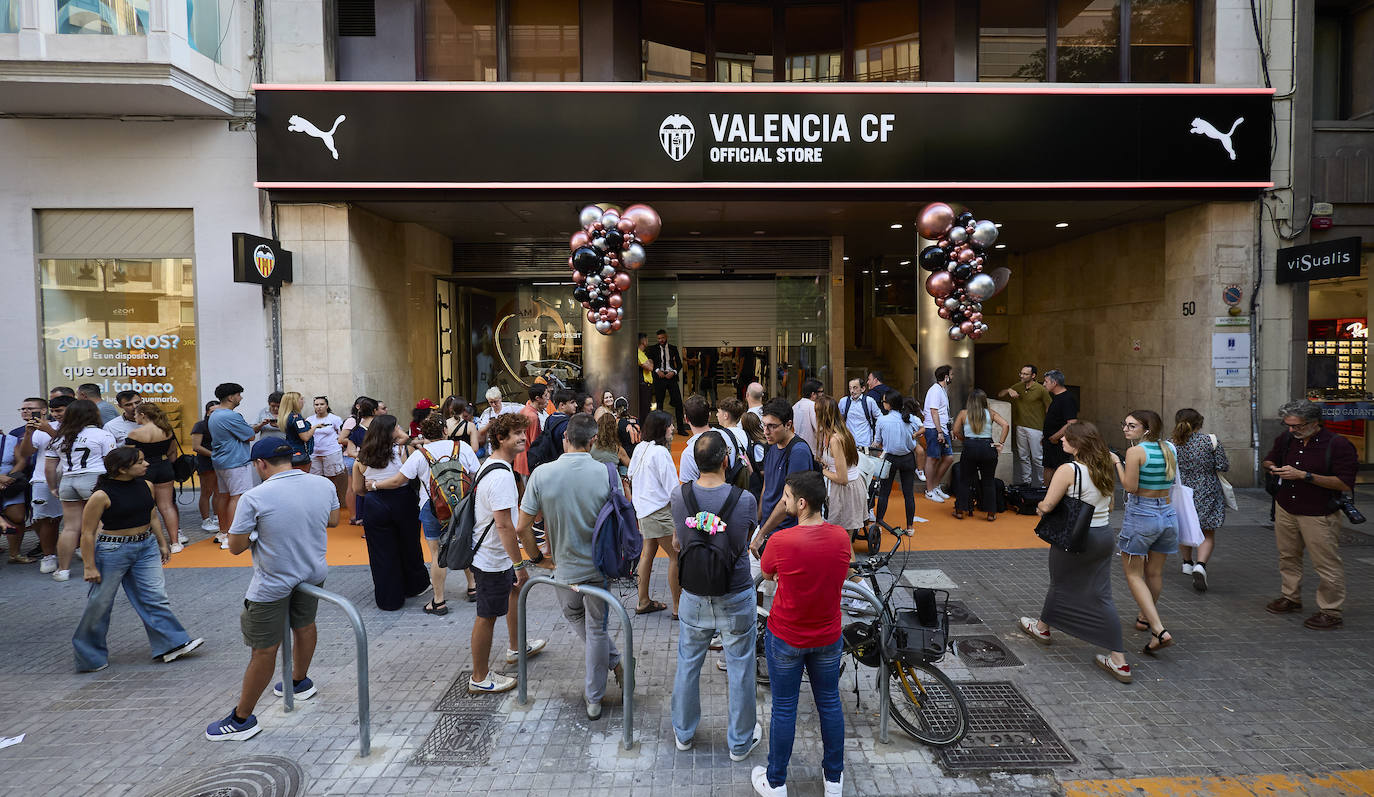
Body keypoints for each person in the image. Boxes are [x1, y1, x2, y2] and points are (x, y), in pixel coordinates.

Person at [205, 439, 339, 740]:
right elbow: (332, 521)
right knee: (305, 626)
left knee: (264, 648)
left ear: (260, 464)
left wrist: (258, 533)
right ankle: (299, 681)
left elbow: (236, 547)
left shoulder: (254, 497)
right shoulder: (322, 485)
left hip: (273, 581)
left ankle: (241, 719)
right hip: (313, 571)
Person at [515, 413, 626, 720]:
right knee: (597, 627)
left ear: (565, 438)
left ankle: (605, 679)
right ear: (592, 441)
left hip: (563, 565)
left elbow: (523, 527)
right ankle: (600, 688)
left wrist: (538, 559)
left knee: (573, 613)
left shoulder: (541, 474)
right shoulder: (608, 473)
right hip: (600, 564)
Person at [753, 471, 850, 797]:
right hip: (827, 637)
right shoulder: (841, 538)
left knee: (784, 708)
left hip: (786, 637)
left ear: (802, 503)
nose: (784, 503)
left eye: (787, 498)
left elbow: (766, 571)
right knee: (829, 703)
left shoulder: (781, 541)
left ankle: (776, 781)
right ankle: (834, 779)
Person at [670, 432, 761, 759]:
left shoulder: (678, 496)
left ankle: (683, 732)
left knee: (688, 663)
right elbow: (744, 539)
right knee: (740, 667)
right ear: (727, 460)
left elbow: (679, 542)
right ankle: (739, 742)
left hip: (693, 593)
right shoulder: (745, 500)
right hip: (734, 592)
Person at [1019, 422, 1131, 684]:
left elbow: (1048, 504)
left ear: (1078, 444)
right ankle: (1119, 660)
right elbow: (1111, 503)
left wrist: (1039, 508)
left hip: (1076, 536)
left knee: (1060, 583)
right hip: (1104, 535)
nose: (1061, 441)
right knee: (1102, 594)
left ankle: (1042, 628)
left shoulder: (1068, 469)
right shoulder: (1103, 466)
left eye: (1066, 439)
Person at [73, 447, 204, 672]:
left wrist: (162, 542)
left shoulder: (146, 485)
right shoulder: (101, 495)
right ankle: (89, 657)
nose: (146, 465)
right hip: (113, 551)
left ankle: (172, 644)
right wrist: (89, 565)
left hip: (146, 547)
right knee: (100, 603)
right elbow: (86, 533)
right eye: (140, 462)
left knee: (155, 596)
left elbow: (152, 515)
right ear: (122, 469)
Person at [369, 413, 479, 615]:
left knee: (437, 554)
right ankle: (472, 587)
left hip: (432, 508)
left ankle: (439, 601)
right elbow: (475, 475)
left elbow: (398, 481)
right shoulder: (461, 447)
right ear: (445, 431)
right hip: (462, 505)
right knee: (464, 542)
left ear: (424, 433)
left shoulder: (420, 454)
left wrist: (374, 485)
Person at [467, 412, 545, 692]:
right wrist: (518, 563)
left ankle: (515, 647)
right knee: (486, 616)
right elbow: (503, 525)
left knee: (511, 594)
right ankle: (479, 677)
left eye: (523, 432)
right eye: (516, 434)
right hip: (491, 558)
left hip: (491, 555)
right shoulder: (501, 476)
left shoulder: (492, 466)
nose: (523, 437)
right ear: (501, 438)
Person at [1262, 400, 1355, 630]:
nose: (1292, 430)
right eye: (1288, 425)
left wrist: (1305, 476)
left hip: (1319, 512)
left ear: (1314, 423)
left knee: (1326, 563)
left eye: (1297, 426)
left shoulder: (1338, 445)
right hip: (1286, 507)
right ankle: (1290, 597)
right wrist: (1273, 468)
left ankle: (1331, 610)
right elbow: (1268, 459)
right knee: (1288, 556)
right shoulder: (1286, 439)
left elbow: (1344, 483)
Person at [1115, 409, 1179, 656]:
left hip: (1142, 515)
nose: (1125, 429)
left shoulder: (1135, 452)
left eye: (1131, 426)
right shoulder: (1169, 449)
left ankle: (1158, 630)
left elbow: (1130, 487)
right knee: (1154, 573)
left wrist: (1117, 464)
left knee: (1133, 575)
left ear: (1146, 430)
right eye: (1125, 424)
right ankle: (1144, 618)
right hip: (1167, 514)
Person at [353, 415, 428, 611]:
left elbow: (357, 489)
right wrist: (401, 434)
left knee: (381, 552)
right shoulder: (403, 450)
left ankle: (389, 598)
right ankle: (414, 585)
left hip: (374, 503)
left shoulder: (361, 457)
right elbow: (408, 440)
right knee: (409, 544)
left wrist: (373, 491)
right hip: (403, 500)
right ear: (391, 430)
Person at [45, 399, 118, 582]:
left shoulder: (59, 437)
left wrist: (53, 487)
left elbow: (50, 468)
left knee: (70, 527)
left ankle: (63, 570)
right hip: (94, 479)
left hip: (68, 481)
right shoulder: (102, 435)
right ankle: (100, 566)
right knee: (100, 524)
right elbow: (111, 462)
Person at [627, 410, 682, 617]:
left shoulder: (641, 447)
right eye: (670, 425)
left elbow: (631, 475)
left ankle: (643, 601)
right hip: (659, 511)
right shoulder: (660, 452)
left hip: (643, 510)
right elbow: (673, 489)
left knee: (648, 553)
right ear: (661, 428)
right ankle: (678, 607)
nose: (673, 429)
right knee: (676, 555)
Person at [1172, 409, 1229, 591]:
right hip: (1207, 490)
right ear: (1199, 423)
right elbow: (1222, 465)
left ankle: (1187, 563)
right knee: (1207, 531)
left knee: (1184, 525)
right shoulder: (1209, 441)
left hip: (1181, 492)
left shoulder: (1170, 443)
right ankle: (1200, 565)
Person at [750, 399, 816, 554]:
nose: (766, 431)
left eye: (772, 426)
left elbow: (788, 500)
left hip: (786, 534)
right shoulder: (772, 445)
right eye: (764, 425)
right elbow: (767, 487)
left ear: (788, 424)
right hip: (767, 529)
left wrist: (761, 534)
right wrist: (758, 523)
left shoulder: (798, 451)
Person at [127, 403, 185, 552]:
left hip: (143, 468)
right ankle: (175, 542)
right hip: (164, 466)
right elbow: (172, 452)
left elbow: (128, 458)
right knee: (167, 506)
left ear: (143, 415)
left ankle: (152, 542)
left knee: (146, 506)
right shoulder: (167, 430)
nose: (134, 417)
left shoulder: (135, 434)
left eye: (135, 414)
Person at [15, 397, 62, 572]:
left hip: (67, 475)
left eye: (30, 408)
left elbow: (67, 444)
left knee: (69, 519)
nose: (25, 411)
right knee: (44, 519)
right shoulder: (34, 431)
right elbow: (26, 453)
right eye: (22, 409)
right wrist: (28, 433)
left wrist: (48, 429)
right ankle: (49, 555)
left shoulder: (60, 425)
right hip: (42, 478)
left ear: (43, 411)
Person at [208, 383, 258, 548]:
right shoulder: (231, 416)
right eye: (238, 394)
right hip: (235, 461)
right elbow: (250, 435)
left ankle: (224, 532)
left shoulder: (215, 414)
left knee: (224, 496)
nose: (241, 398)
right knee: (237, 497)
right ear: (231, 397)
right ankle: (232, 536)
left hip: (221, 461)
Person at [951, 389, 1010, 522]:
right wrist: (1000, 443)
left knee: (965, 480)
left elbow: (955, 431)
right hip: (988, 447)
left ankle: (960, 510)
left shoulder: (963, 414)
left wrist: (964, 440)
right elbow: (1006, 425)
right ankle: (991, 513)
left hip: (970, 447)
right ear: (984, 400)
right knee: (988, 481)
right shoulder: (991, 413)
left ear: (970, 401)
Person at [814, 396, 866, 540]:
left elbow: (842, 478)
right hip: (850, 488)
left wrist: (821, 470)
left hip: (846, 491)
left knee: (843, 542)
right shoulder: (840, 433)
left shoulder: (835, 439)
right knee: (844, 542)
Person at [872, 392, 920, 533]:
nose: (882, 403)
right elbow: (922, 428)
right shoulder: (910, 418)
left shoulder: (882, 420)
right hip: (907, 457)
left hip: (890, 458)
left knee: (884, 493)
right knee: (908, 494)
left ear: (889, 404)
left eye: (884, 401)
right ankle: (910, 527)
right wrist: (915, 435)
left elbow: (877, 441)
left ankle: (878, 524)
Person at [998, 365, 1052, 486]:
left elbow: (1049, 407)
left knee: (1037, 458)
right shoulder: (1018, 386)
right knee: (1023, 456)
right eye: (1021, 373)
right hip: (1020, 426)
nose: (1022, 376)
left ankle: (1042, 484)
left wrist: (1048, 427)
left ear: (1033, 376)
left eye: (1025, 374)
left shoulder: (1041, 389)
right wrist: (1008, 390)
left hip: (1036, 428)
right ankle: (1026, 482)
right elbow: (1000, 395)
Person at [339, 396, 379, 525]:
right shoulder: (380, 425)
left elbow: (349, 449)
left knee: (361, 490)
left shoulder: (357, 427)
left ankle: (361, 518)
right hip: (372, 461)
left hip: (361, 461)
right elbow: (342, 439)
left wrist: (362, 454)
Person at [922, 365, 956, 504]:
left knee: (948, 458)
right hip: (934, 429)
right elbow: (933, 411)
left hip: (942, 429)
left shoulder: (942, 390)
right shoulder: (935, 390)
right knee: (932, 459)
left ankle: (935, 486)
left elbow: (943, 412)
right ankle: (929, 490)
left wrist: (949, 429)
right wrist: (940, 432)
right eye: (951, 374)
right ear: (946, 376)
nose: (953, 377)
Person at [308, 396, 347, 510]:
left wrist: (340, 446)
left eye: (321, 404)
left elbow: (342, 435)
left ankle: (332, 504)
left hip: (331, 452)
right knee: (316, 480)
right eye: (316, 404)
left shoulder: (335, 419)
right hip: (314, 453)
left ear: (327, 405)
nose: (319, 407)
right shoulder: (310, 420)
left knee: (332, 479)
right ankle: (319, 505)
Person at [1041, 370, 1079, 484]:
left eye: (1046, 381)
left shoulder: (1067, 399)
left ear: (1055, 383)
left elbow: (1072, 422)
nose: (1044, 384)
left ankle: (1052, 494)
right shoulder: (1057, 397)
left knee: (1055, 468)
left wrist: (1055, 437)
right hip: (1050, 442)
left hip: (1058, 443)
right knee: (1048, 467)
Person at [677, 395, 721, 484]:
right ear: (709, 416)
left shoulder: (689, 453)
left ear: (686, 419)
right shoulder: (727, 436)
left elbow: (688, 489)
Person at [649, 329, 686, 433]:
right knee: (659, 404)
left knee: (678, 403)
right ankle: (660, 429)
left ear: (666, 337)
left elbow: (679, 364)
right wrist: (657, 371)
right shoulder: (653, 349)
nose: (661, 340)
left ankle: (681, 428)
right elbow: (650, 363)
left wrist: (673, 372)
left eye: (663, 338)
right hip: (659, 378)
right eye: (659, 338)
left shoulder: (673, 348)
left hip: (671, 377)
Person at [191, 401, 220, 531]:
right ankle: (205, 520)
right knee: (206, 492)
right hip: (206, 462)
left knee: (219, 492)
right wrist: (213, 455)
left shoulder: (222, 424)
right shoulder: (201, 425)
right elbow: (196, 447)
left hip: (221, 462)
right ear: (207, 412)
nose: (215, 414)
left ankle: (217, 517)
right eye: (213, 411)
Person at [514, 385, 548, 481]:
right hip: (527, 461)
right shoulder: (533, 416)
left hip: (520, 458)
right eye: (545, 395)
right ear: (538, 398)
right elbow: (535, 443)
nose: (547, 397)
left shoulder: (524, 410)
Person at [840, 378, 881, 453]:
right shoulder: (844, 401)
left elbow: (880, 419)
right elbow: (839, 420)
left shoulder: (869, 401)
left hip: (866, 443)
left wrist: (876, 440)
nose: (852, 391)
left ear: (863, 389)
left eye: (855, 388)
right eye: (850, 388)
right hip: (849, 443)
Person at [277, 392, 314, 472]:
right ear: (294, 402)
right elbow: (305, 437)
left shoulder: (286, 416)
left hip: (290, 451)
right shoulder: (296, 417)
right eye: (301, 399)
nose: (303, 401)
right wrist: (315, 427)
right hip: (299, 453)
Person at [790, 379, 822, 453]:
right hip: (812, 449)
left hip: (797, 446)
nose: (822, 394)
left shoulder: (795, 406)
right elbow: (819, 428)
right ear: (813, 394)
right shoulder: (813, 406)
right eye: (820, 392)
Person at [637, 333, 654, 417]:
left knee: (648, 409)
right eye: (646, 339)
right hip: (643, 386)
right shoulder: (638, 353)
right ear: (643, 341)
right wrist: (650, 361)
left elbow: (650, 365)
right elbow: (650, 367)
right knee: (644, 411)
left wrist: (649, 361)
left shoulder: (643, 354)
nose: (647, 341)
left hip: (648, 386)